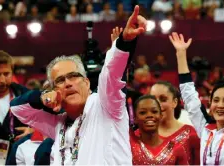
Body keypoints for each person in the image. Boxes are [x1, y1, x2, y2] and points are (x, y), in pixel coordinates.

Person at [10, 5, 147, 165]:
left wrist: (124, 43)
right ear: (54, 90)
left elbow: (111, 76)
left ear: (87, 82)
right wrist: (42, 98)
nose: (68, 83)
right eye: (60, 80)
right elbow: (17, 108)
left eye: (74, 76)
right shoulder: (56, 122)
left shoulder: (105, 106)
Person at [169, 20, 224, 165]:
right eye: (216, 100)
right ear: (210, 103)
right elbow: (189, 97)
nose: (220, 105)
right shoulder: (205, 130)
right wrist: (181, 54)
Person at [149, 81, 200, 165]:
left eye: (163, 99)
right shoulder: (139, 135)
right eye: (153, 99)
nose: (157, 104)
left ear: (175, 102)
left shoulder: (191, 134)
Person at [130, 95, 189, 165]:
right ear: (135, 118)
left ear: (161, 116)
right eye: (143, 112)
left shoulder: (176, 148)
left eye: (154, 111)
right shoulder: (129, 145)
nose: (149, 115)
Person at [0, 50, 32, 160]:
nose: (2, 80)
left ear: (12, 73)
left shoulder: (26, 96)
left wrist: (33, 130)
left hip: (17, 156)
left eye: (6, 74)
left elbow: (47, 121)